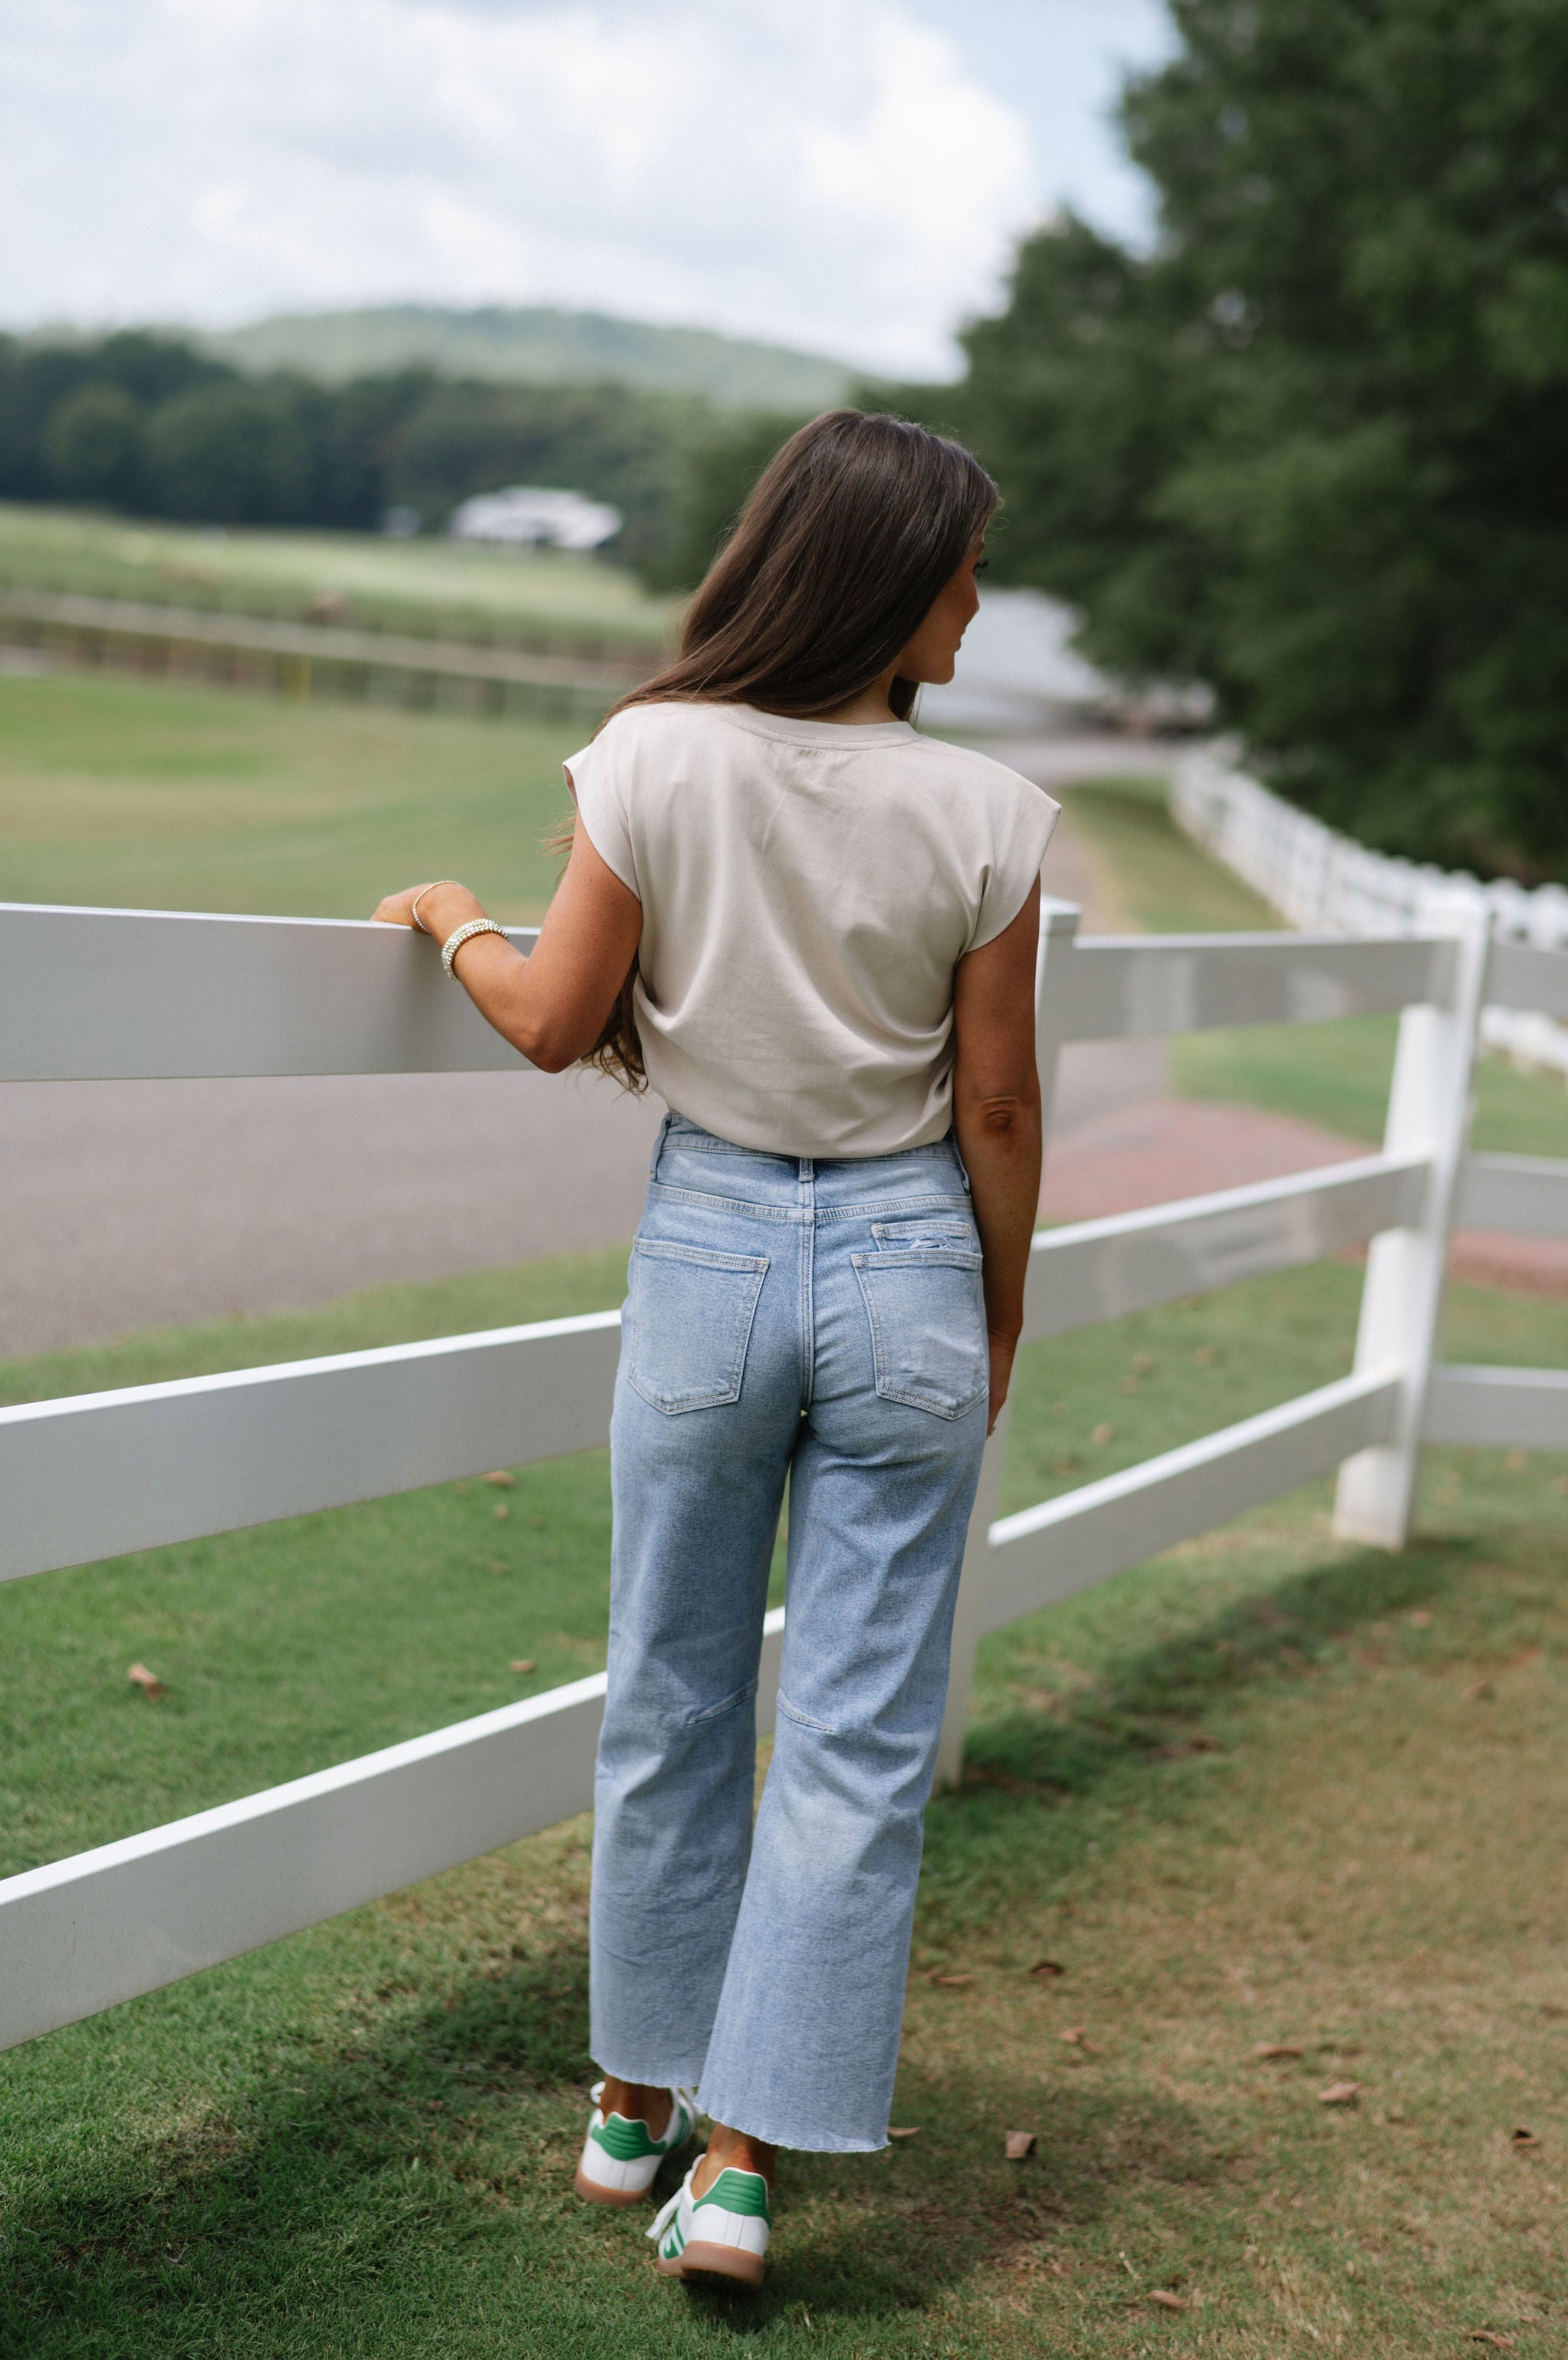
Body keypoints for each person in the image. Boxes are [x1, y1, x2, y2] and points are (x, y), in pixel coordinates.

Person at [373, 409, 1058, 2291]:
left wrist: (450, 919)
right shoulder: (987, 815)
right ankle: (740, 2169)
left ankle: (628, 2109)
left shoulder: (650, 759)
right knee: (855, 1732)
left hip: (714, 1252)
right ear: (882, 582)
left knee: (667, 1695)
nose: (977, 605)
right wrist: (997, 1301)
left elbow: (551, 1016)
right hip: (913, 1256)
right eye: (960, 571)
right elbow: (992, 1104)